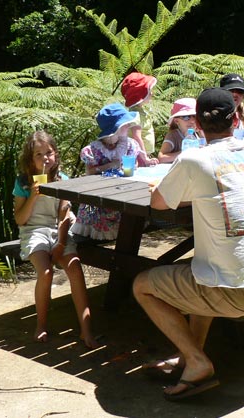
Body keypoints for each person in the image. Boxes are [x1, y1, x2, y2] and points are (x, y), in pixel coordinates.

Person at [132, 88, 244, 401]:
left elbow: (159, 202)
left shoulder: (193, 158)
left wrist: (167, 187)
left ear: (197, 126)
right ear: (235, 118)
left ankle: (198, 361)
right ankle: (190, 356)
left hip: (234, 291)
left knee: (141, 285)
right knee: (201, 268)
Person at [13, 130, 99, 348]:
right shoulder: (23, 183)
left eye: (48, 153)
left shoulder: (62, 180)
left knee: (75, 268)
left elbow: (63, 217)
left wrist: (60, 244)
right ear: (30, 159)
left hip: (58, 230)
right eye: (38, 155)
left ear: (56, 154)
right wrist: (33, 195)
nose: (45, 159)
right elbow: (21, 220)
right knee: (46, 272)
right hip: (33, 231)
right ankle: (41, 324)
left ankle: (86, 330)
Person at [71, 103, 158, 240]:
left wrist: (135, 165)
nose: (128, 127)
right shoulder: (93, 150)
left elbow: (134, 163)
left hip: (123, 190)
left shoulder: (129, 144)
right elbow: (90, 172)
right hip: (99, 196)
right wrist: (110, 166)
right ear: (115, 129)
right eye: (125, 125)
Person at [157, 97, 205, 163]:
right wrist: (185, 152)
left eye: (194, 116)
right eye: (186, 117)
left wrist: (202, 133)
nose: (192, 121)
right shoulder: (173, 135)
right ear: (176, 121)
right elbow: (161, 158)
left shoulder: (196, 134)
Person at [122, 71, 158, 155]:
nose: (152, 93)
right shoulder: (136, 114)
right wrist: (144, 157)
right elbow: (136, 137)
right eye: (149, 91)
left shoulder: (140, 111)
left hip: (141, 153)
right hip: (138, 154)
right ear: (141, 95)